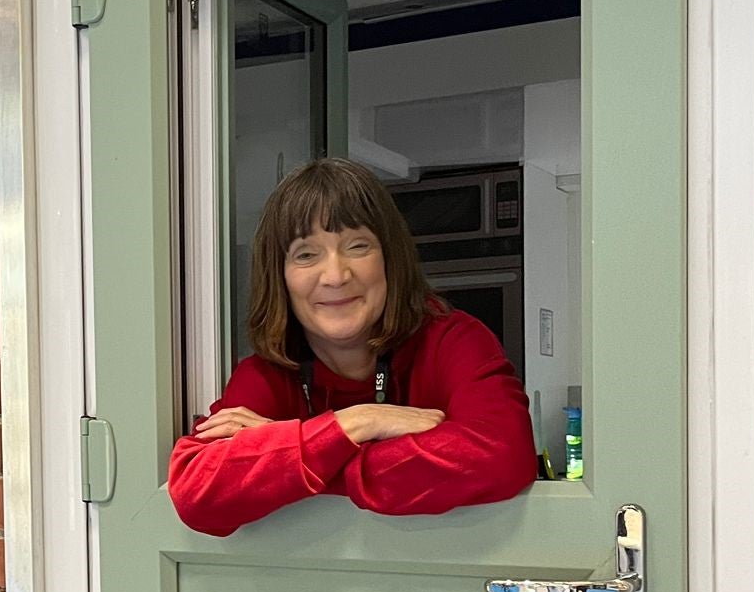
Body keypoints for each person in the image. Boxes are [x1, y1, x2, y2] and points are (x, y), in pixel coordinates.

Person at [169, 158, 538, 535]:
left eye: (357, 246)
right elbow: (196, 493)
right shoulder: (268, 372)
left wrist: (291, 456)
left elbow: (503, 455)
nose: (335, 276)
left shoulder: (452, 339)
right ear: (279, 276)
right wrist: (357, 422)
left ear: (389, 260)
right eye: (306, 254)